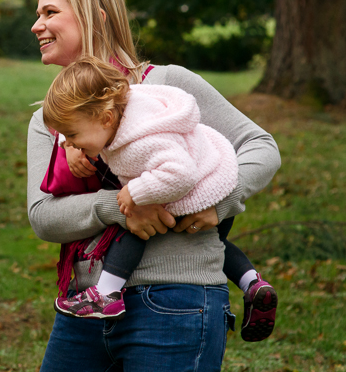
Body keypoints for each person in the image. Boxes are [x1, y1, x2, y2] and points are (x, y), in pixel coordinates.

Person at [27, 0, 281, 371]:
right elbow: (43, 217)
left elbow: (260, 146)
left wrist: (217, 201)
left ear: (95, 15)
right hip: (85, 306)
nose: (37, 25)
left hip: (176, 300)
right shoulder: (51, 121)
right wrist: (121, 205)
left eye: (50, 13)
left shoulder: (167, 87)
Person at [40, 57, 277, 343]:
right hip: (211, 171)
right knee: (218, 243)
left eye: (73, 135)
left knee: (135, 223)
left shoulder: (140, 142)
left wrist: (135, 192)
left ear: (105, 118)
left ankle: (105, 294)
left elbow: (180, 173)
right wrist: (71, 144)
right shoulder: (124, 104)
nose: (68, 142)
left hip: (203, 186)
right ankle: (252, 282)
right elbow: (83, 118)